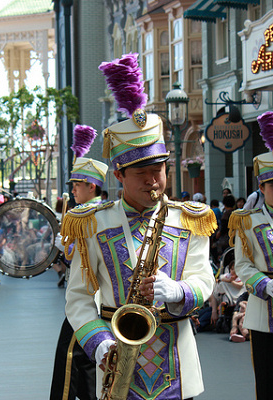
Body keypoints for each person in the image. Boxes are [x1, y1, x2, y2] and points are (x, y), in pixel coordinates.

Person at [62, 53, 217, 400]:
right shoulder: (92, 223)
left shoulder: (190, 218)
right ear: (118, 175)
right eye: (141, 173)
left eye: (158, 169)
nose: (153, 181)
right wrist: (99, 343)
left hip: (178, 365)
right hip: (116, 363)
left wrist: (178, 291)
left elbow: (204, 277)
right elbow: (77, 298)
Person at [50, 124, 109, 400]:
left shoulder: (90, 215)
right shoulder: (89, 212)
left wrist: (65, 244)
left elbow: (76, 255)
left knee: (72, 359)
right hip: (87, 295)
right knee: (84, 364)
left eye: (77, 184)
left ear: (91, 186)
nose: (73, 189)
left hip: (92, 298)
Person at [228, 110, 273, 400]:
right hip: (263, 311)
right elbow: (242, 266)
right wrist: (266, 285)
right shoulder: (247, 221)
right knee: (268, 381)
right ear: (262, 187)